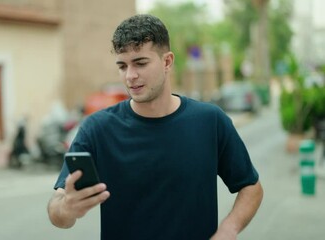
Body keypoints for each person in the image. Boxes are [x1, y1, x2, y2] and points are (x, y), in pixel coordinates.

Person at [47, 14, 263, 240]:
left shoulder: (210, 120)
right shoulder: (97, 128)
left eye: (140, 63)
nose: (130, 76)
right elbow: (57, 210)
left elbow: (251, 187)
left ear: (167, 61)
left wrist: (228, 231)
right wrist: (67, 208)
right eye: (122, 66)